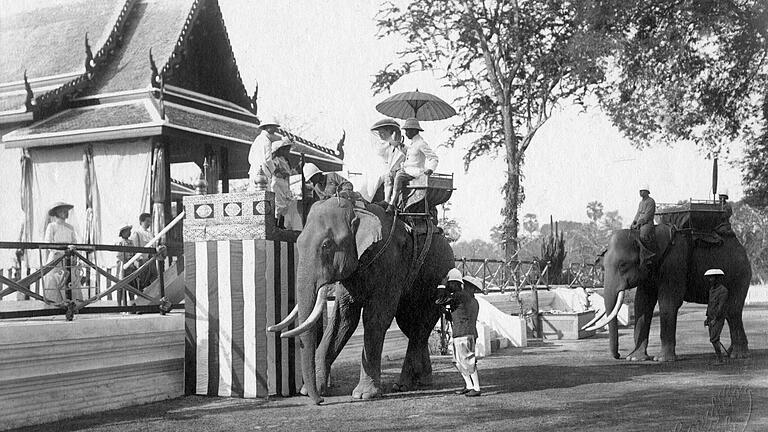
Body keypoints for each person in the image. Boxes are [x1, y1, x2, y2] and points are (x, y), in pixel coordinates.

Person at [436, 268, 481, 397]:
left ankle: (476, 388)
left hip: (462, 333)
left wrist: (442, 285)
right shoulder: (473, 301)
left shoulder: (461, 296)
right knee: (459, 361)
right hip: (468, 332)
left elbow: (440, 299)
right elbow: (459, 315)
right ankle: (470, 386)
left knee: (466, 361)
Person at [386, 118, 438, 214]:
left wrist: (431, 169)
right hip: (407, 170)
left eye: (407, 131)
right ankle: (390, 201)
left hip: (415, 172)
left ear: (414, 130)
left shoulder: (421, 143)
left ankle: (391, 204)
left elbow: (434, 157)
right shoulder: (413, 144)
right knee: (390, 174)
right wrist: (401, 146)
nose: (406, 133)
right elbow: (410, 155)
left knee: (399, 176)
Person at [42, 202, 81, 302]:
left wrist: (72, 249)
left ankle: (71, 302)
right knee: (53, 279)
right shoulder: (52, 226)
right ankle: (55, 302)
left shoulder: (70, 227)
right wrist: (58, 252)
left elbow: (74, 242)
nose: (64, 212)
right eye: (61, 211)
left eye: (65, 211)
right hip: (56, 257)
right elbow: (48, 242)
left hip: (68, 257)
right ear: (56, 213)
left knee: (70, 278)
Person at [370, 118, 405, 202]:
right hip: (379, 167)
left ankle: (387, 200)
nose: (381, 135)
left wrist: (395, 145)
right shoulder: (382, 144)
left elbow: (400, 158)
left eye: (383, 133)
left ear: (389, 131)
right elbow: (379, 152)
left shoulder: (396, 144)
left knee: (385, 177)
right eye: (379, 133)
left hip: (390, 169)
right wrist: (389, 143)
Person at [270, 138, 302, 229]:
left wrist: (298, 168)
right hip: (278, 184)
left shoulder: (286, 161)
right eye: (285, 149)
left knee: (286, 205)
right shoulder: (275, 159)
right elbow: (274, 171)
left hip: (285, 185)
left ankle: (281, 224)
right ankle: (275, 224)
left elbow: (291, 172)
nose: (287, 151)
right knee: (278, 205)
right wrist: (282, 173)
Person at [704, 268, 729, 364]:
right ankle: (720, 357)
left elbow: (721, 307)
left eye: (712, 278)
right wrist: (707, 318)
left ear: (717, 278)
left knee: (713, 338)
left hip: (718, 318)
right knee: (715, 338)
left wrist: (715, 319)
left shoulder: (723, 291)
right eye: (709, 278)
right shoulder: (711, 290)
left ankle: (720, 359)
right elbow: (710, 304)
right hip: (711, 317)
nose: (710, 280)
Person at [248, 118, 281, 190]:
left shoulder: (258, 139)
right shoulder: (266, 140)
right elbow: (268, 159)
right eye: (273, 127)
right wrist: (274, 170)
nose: (275, 130)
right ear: (268, 127)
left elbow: (250, 158)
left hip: (254, 171)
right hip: (263, 173)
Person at [630, 185, 656, 267]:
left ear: (647, 192)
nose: (640, 192)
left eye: (642, 191)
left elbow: (648, 215)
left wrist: (639, 223)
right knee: (631, 234)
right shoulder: (641, 203)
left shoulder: (651, 201)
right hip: (639, 223)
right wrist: (634, 222)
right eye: (640, 191)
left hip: (647, 223)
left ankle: (647, 254)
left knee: (643, 235)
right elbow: (638, 213)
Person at [116, 224, 138, 306]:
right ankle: (119, 305)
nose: (129, 233)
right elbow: (119, 255)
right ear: (123, 233)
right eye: (127, 231)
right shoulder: (120, 242)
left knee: (131, 284)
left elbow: (134, 252)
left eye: (130, 231)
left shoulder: (131, 242)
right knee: (120, 285)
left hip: (130, 265)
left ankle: (131, 303)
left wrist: (132, 261)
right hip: (122, 265)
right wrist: (125, 261)